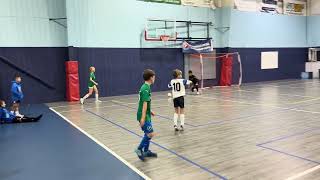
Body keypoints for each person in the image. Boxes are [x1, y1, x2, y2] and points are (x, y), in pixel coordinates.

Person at [135, 69, 157, 161]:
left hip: (146, 114)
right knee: (150, 133)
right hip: (143, 115)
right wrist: (143, 118)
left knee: (147, 133)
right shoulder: (145, 88)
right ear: (151, 78)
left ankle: (146, 151)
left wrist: (150, 111)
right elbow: (144, 104)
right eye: (154, 76)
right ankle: (139, 149)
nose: (155, 78)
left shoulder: (146, 87)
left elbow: (145, 103)